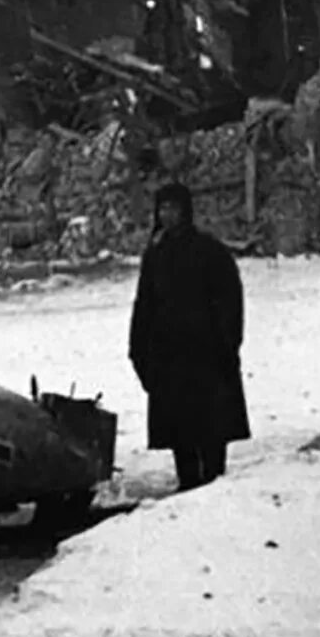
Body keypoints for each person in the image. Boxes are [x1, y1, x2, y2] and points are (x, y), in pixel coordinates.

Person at [128, 181, 249, 491]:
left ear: (186, 211)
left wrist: (226, 343)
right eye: (162, 208)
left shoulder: (209, 251)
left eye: (173, 208)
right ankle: (188, 486)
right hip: (169, 358)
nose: (167, 215)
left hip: (207, 356)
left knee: (211, 430)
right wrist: (139, 350)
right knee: (179, 432)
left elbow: (230, 300)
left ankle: (213, 487)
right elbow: (145, 305)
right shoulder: (155, 255)